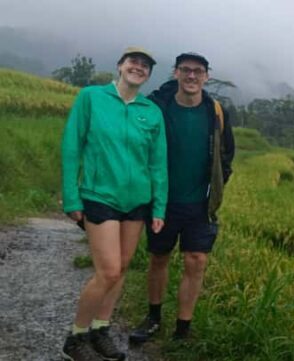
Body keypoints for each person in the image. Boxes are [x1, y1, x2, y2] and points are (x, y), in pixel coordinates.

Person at [60, 47, 167, 361]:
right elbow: (71, 146)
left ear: (148, 74)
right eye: (133, 61)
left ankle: (100, 329)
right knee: (107, 271)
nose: (139, 67)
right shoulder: (91, 97)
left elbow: (158, 164)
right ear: (120, 66)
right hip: (100, 196)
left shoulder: (151, 111)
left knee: (120, 269)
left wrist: (158, 207)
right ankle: (76, 337)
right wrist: (71, 196)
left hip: (137, 202)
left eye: (145, 65)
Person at [129, 52, 234, 343]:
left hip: (200, 203)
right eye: (186, 70)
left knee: (196, 260)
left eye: (198, 71)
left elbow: (226, 154)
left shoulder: (216, 112)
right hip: (162, 200)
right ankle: (153, 318)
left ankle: (182, 329)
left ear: (206, 77)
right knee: (159, 257)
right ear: (175, 73)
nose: (191, 76)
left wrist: (217, 186)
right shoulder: (157, 107)